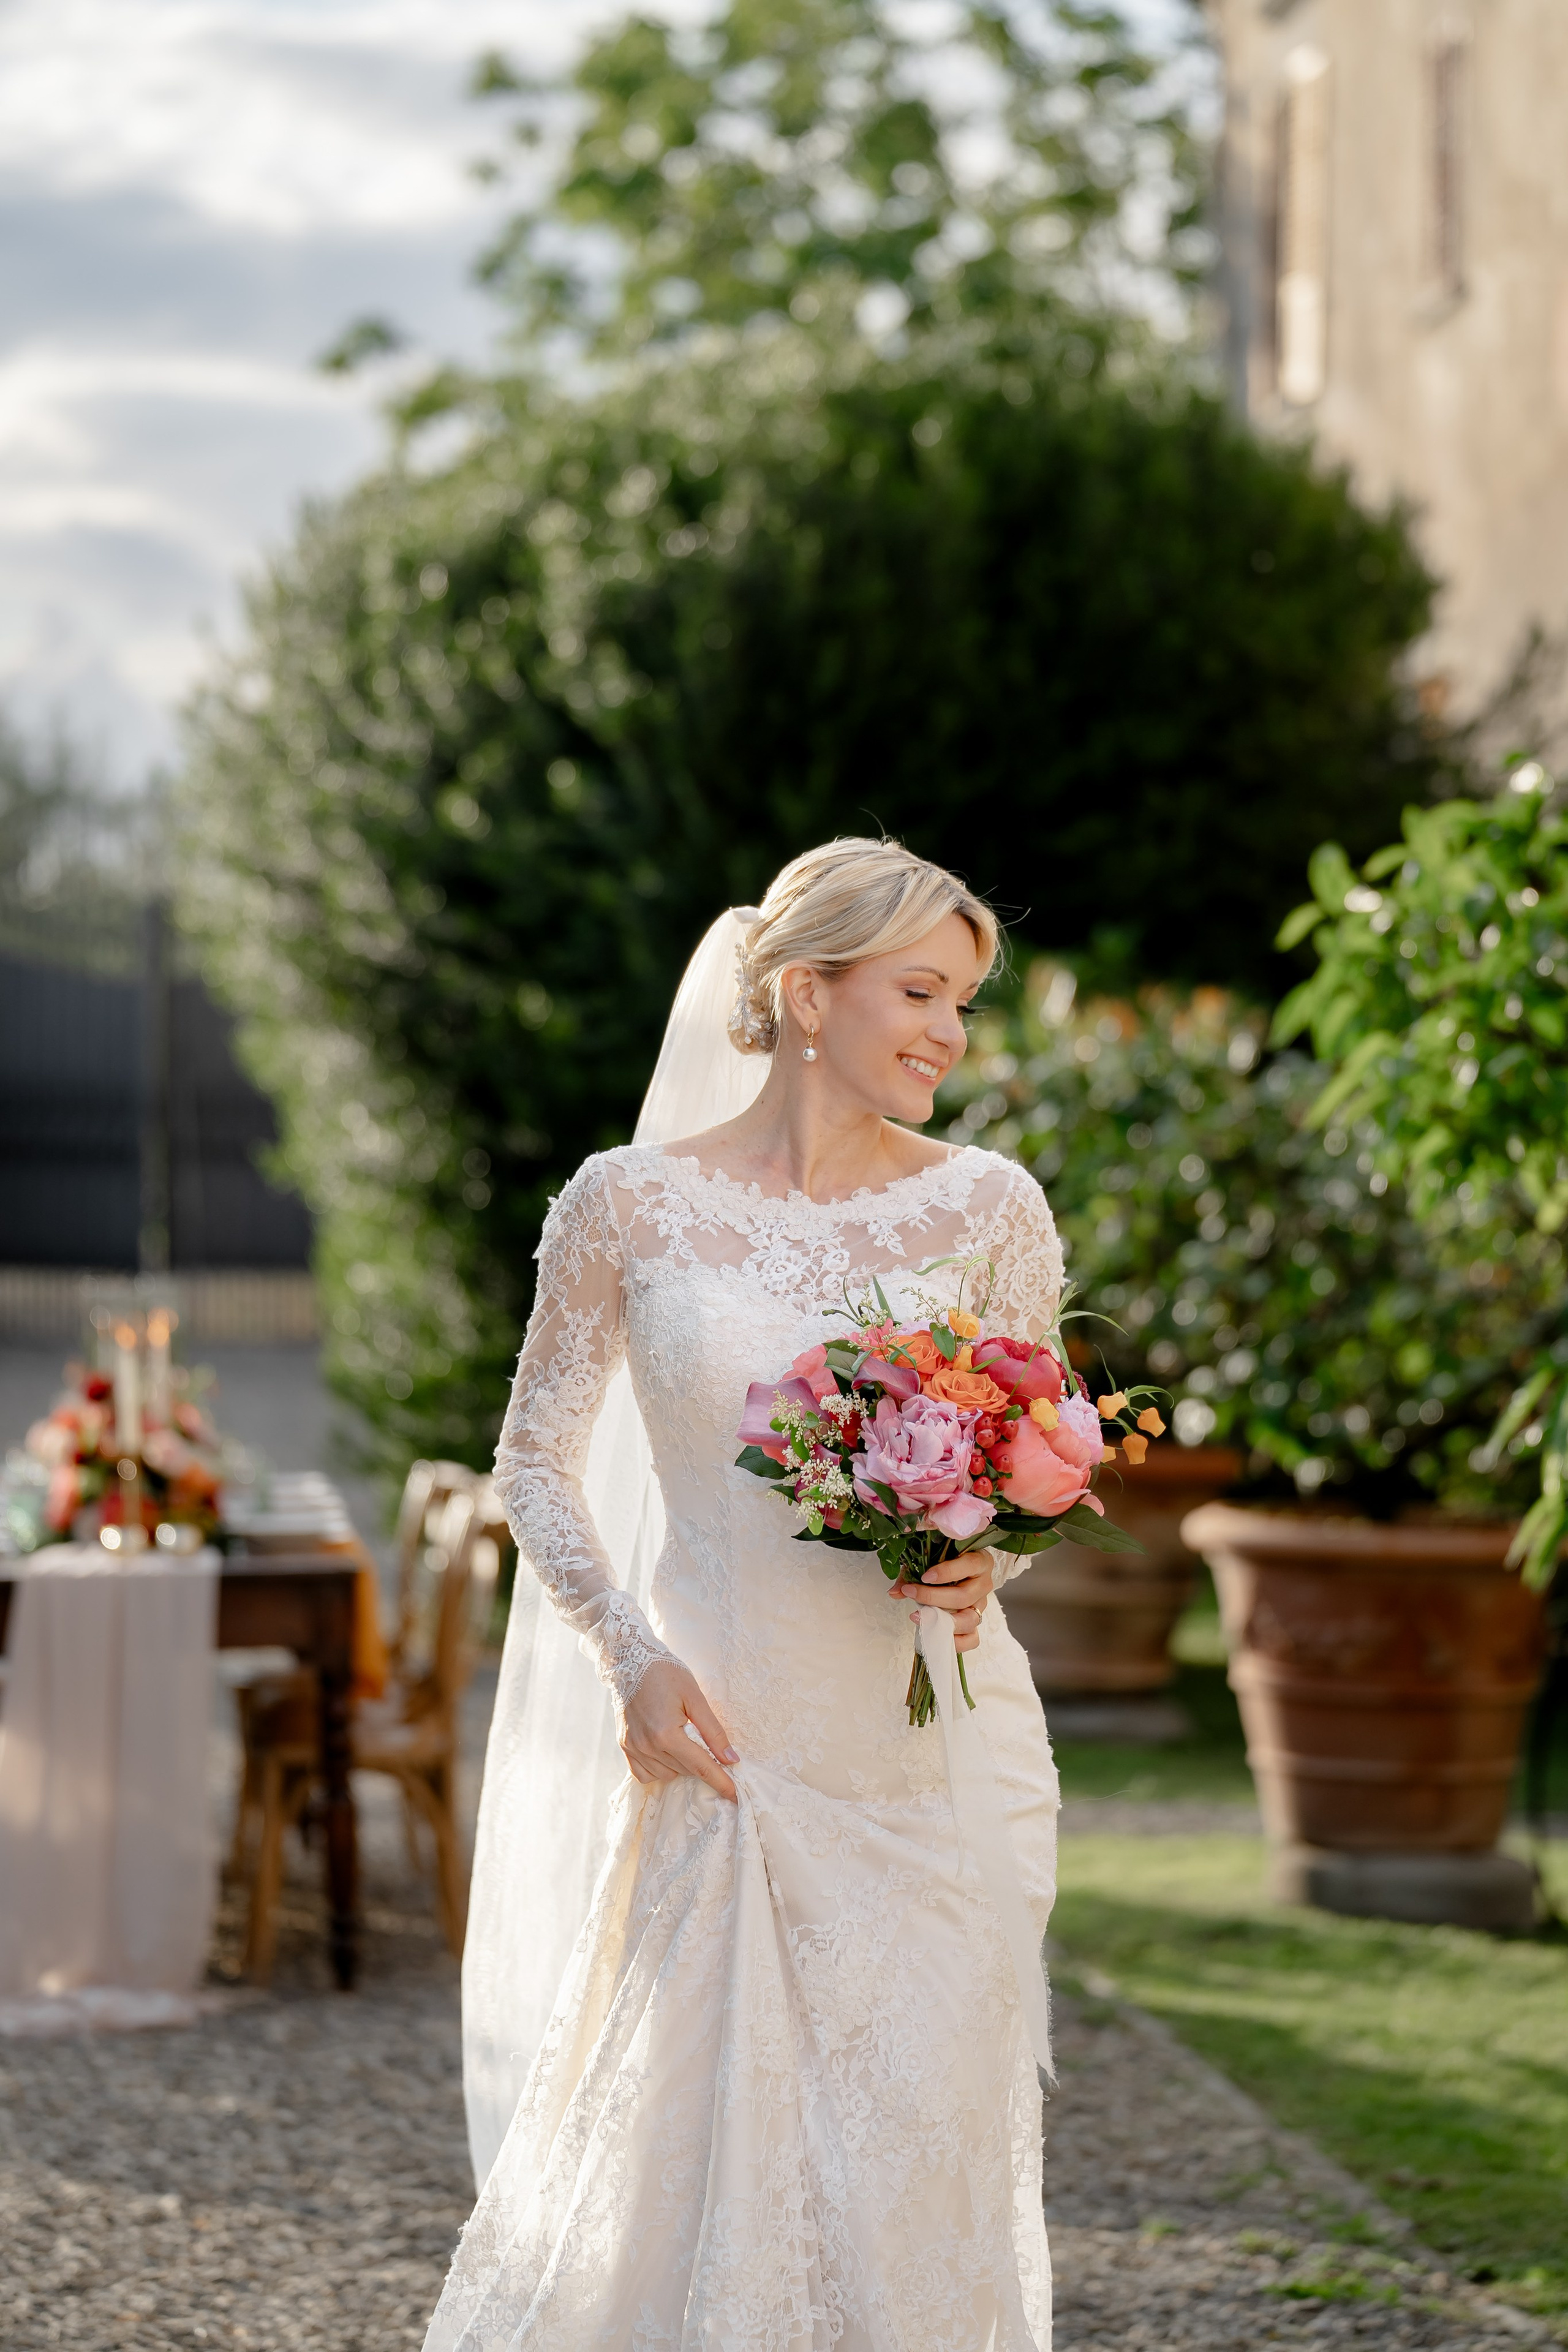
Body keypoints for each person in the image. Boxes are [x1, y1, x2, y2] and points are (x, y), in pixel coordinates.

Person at [425, 839, 1063, 2351]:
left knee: (907, 2193)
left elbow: (1026, 1467)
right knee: (690, 2178)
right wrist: (628, 1654)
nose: (949, 1035)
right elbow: (532, 1461)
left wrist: (988, 1555)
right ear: (806, 994)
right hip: (725, 1761)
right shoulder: (626, 1205)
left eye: (962, 1004)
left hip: (922, 1769)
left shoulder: (989, 1209)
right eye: (919, 992)